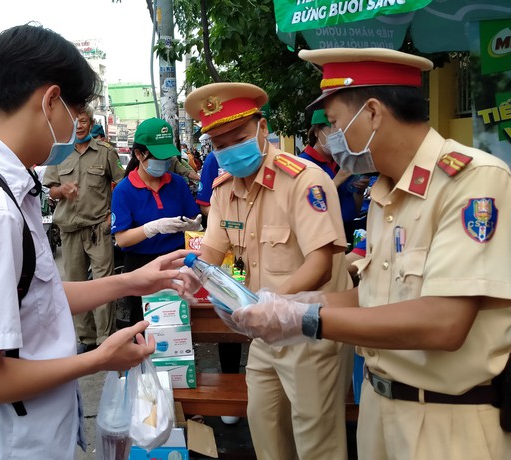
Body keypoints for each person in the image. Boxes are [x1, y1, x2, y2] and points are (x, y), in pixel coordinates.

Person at [227, 48, 511, 459]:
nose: (333, 139)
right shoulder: (384, 193)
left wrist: (309, 319)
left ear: (373, 113)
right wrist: (295, 303)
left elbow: (445, 323)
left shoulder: (472, 183)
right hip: (379, 410)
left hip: (448, 421)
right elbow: (376, 296)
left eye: (337, 124)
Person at [0, 25, 195, 459]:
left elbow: (37, 296)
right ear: (51, 100)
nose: (77, 124)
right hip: (16, 447)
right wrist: (98, 360)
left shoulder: (4, 187)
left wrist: (135, 281)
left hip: (34, 435)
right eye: (77, 110)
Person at [184, 83, 353, 460]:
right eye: (218, 144)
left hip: (310, 331)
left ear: (263, 128)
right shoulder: (223, 189)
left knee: (316, 441)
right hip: (263, 334)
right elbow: (210, 252)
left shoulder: (304, 180)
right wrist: (185, 278)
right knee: (265, 429)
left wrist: (272, 304)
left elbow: (321, 263)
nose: (228, 150)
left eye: (237, 137)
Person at [43, 106, 126, 353]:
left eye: (83, 121)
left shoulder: (105, 153)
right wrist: (62, 191)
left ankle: (105, 339)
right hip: (69, 230)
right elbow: (51, 190)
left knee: (104, 284)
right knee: (75, 284)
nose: (78, 126)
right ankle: (86, 338)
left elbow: (122, 186)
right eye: (75, 122)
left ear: (90, 124)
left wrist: (113, 218)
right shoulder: (58, 154)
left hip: (98, 228)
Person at [111, 117, 201, 327]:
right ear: (139, 154)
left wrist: (194, 226)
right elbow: (122, 239)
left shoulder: (177, 184)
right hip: (141, 265)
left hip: (176, 262)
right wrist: (154, 228)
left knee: (177, 324)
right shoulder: (124, 190)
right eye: (158, 157)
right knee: (144, 325)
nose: (164, 162)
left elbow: (193, 219)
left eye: (167, 156)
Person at [300, 109, 368, 239]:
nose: (338, 137)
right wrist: (337, 180)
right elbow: (307, 209)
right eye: (332, 130)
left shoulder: (340, 163)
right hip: (322, 237)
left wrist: (359, 191)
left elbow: (354, 210)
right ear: (316, 131)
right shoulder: (303, 164)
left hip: (348, 233)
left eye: (341, 132)